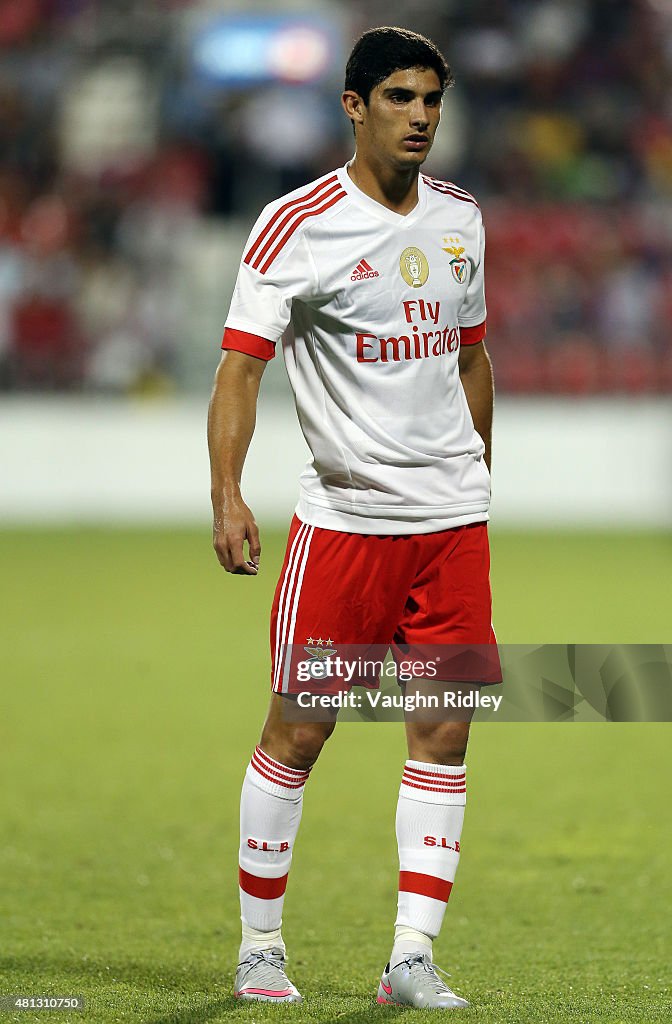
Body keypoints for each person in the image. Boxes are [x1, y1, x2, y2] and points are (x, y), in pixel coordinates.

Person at [208, 26, 498, 1010]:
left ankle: (410, 959)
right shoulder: (294, 225)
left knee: (446, 731)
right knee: (299, 729)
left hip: (450, 526)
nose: (419, 117)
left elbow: (471, 358)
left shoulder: (462, 219)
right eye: (399, 99)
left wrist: (478, 474)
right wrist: (227, 492)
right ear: (352, 105)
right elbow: (239, 369)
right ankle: (258, 946)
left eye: (431, 101)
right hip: (344, 527)